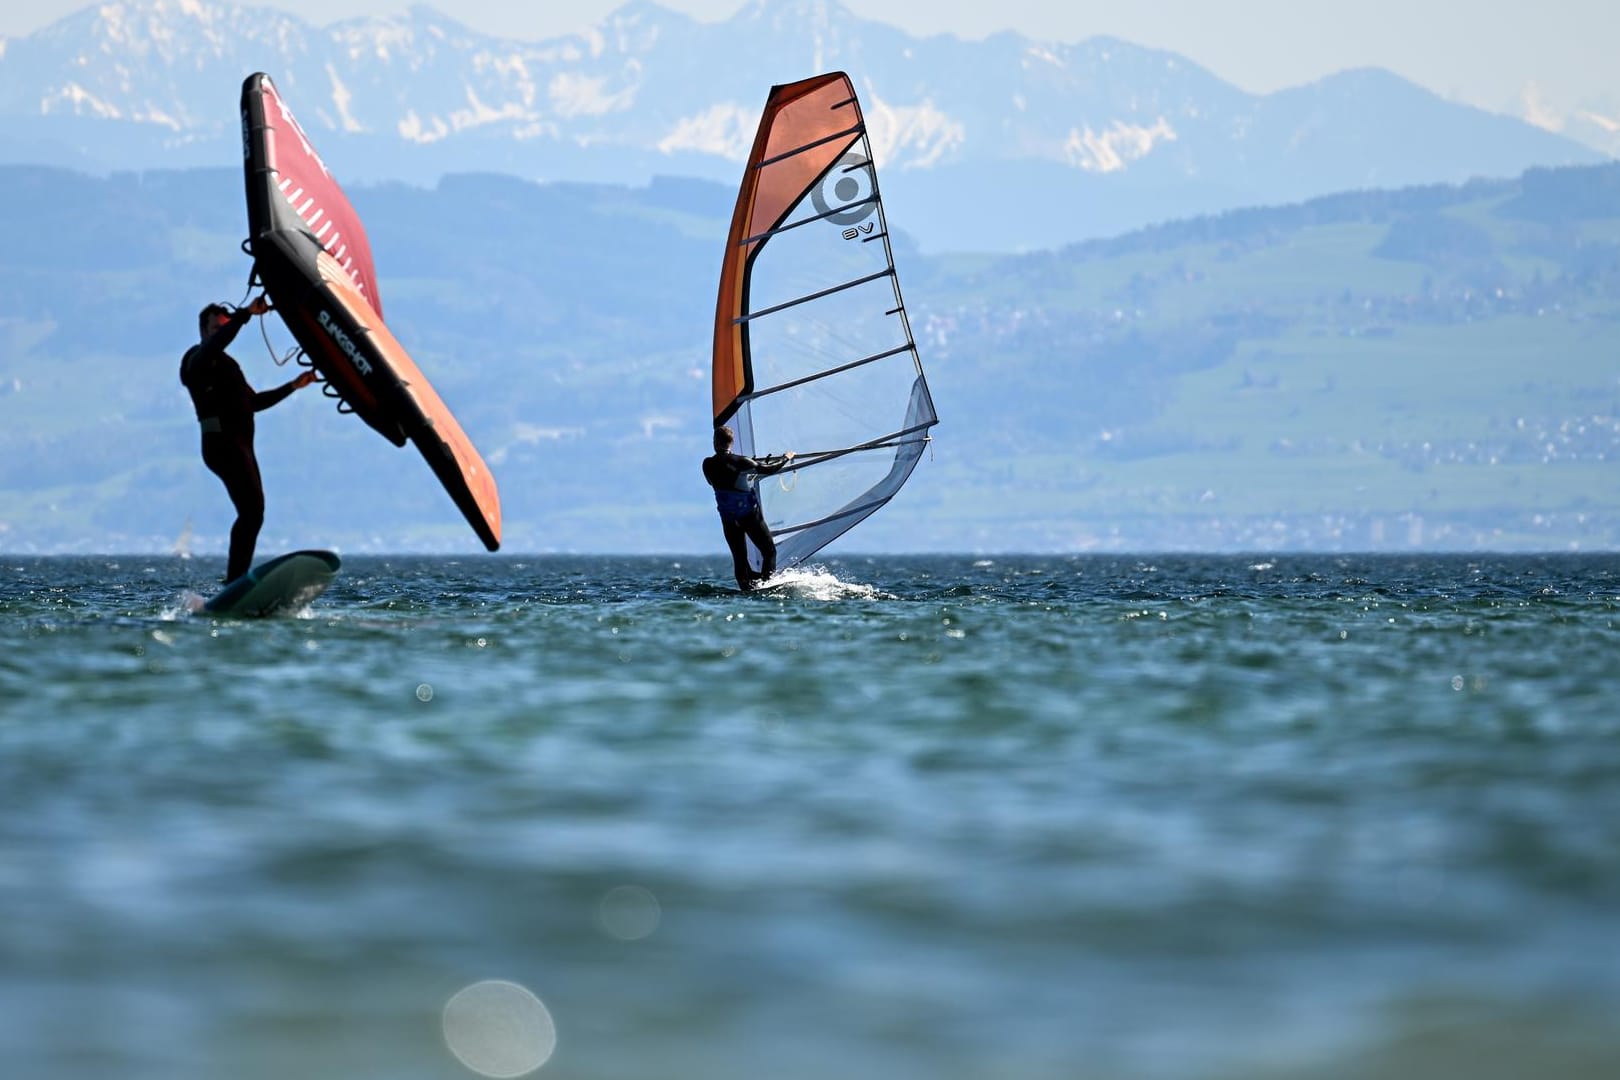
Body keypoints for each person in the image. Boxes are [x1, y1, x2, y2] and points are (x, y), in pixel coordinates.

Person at [180, 295, 317, 582]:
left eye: (223, 327)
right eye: (216, 328)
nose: (221, 333)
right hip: (221, 444)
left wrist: (293, 385)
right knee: (252, 512)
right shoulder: (197, 360)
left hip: (241, 446)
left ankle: (236, 581)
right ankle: (235, 580)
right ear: (204, 332)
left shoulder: (228, 366)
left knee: (254, 513)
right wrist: (245, 314)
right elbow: (217, 344)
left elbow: (254, 402)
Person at [702, 425, 794, 591]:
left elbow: (715, 481)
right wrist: (786, 457)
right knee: (769, 551)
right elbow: (769, 469)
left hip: (728, 519)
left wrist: (749, 469)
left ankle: (746, 588)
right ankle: (767, 586)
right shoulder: (742, 461)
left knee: (739, 557)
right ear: (732, 442)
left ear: (715, 442)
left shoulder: (707, 464)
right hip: (748, 516)